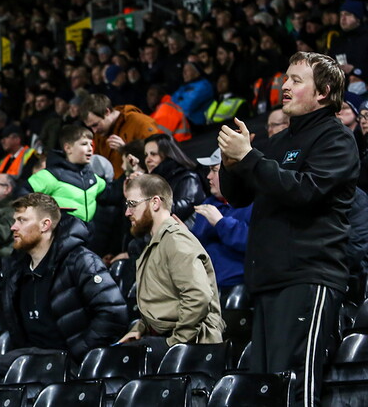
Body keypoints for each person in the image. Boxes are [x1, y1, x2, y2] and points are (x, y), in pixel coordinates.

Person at [219, 52, 358, 407]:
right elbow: (237, 197)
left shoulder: (336, 139)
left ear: (324, 91)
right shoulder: (278, 143)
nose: (285, 86)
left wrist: (250, 158)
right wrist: (231, 163)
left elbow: (305, 192)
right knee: (266, 389)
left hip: (308, 277)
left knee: (295, 385)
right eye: (286, 78)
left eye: (297, 80)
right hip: (268, 279)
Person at [1, 193, 127, 365]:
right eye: (15, 220)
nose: (13, 227)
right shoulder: (15, 269)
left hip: (70, 371)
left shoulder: (81, 261)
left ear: (45, 225)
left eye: (22, 220)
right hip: (30, 364)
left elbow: (113, 314)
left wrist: (78, 355)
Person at [117, 175, 225, 364]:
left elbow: (198, 296)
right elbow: (164, 301)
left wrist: (175, 342)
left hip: (192, 346)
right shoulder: (159, 241)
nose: (127, 212)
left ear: (155, 203)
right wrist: (140, 329)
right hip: (169, 337)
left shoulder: (175, 240)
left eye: (133, 204)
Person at [191, 149, 251, 294]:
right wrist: (185, 237)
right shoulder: (208, 204)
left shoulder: (253, 202)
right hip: (205, 288)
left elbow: (255, 242)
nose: (208, 176)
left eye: (214, 170)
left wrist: (221, 223)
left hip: (238, 288)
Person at [28, 125, 107, 224]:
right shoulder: (52, 175)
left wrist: (129, 171)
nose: (90, 148)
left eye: (91, 144)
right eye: (84, 144)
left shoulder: (94, 179)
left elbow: (115, 194)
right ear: (68, 148)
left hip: (88, 237)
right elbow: (23, 194)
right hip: (59, 236)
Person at [80, 94, 161, 179]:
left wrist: (126, 149)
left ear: (107, 112)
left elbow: (156, 159)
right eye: (91, 127)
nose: (94, 131)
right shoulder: (100, 132)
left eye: (95, 125)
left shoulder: (140, 123)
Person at [142, 134, 205, 222]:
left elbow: (179, 213)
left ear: (167, 155)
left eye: (153, 154)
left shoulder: (188, 178)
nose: (147, 160)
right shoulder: (151, 180)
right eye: (146, 155)